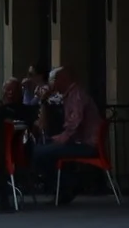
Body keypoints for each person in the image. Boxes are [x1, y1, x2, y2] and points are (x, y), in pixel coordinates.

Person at [31, 66, 104, 200]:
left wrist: (61, 138)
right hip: (79, 142)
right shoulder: (69, 95)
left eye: (53, 80)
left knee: (38, 153)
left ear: (63, 79)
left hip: (86, 144)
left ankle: (68, 185)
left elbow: (74, 123)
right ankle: (64, 187)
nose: (51, 84)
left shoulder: (76, 96)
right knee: (43, 147)